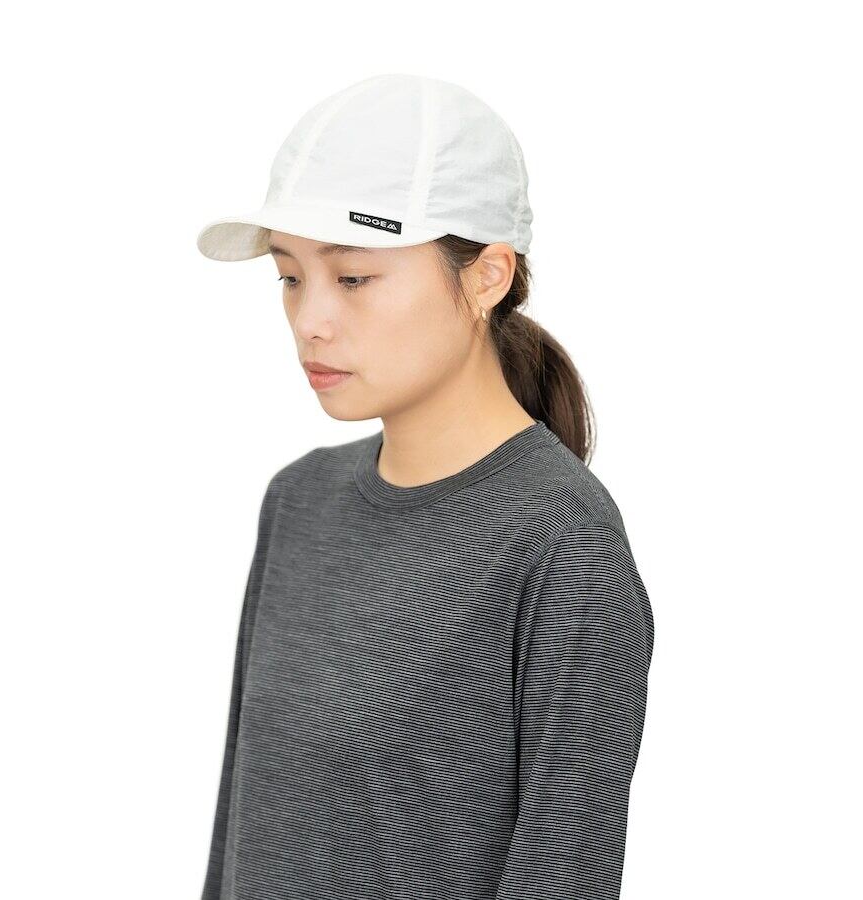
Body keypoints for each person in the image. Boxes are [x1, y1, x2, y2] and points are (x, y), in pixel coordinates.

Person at [195, 73, 655, 900]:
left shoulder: (562, 545)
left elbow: (564, 876)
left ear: (486, 277)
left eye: (354, 278)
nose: (310, 321)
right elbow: (242, 825)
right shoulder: (299, 501)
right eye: (290, 277)